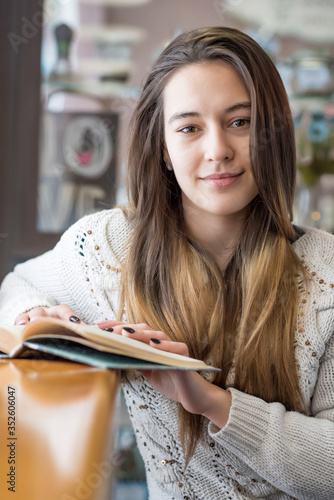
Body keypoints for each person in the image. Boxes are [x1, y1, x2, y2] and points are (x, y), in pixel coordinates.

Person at [0, 26, 333, 499]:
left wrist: (214, 403)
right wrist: (32, 317)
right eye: (189, 128)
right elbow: (18, 283)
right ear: (163, 148)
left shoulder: (327, 271)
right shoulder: (109, 248)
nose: (217, 149)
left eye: (240, 122)